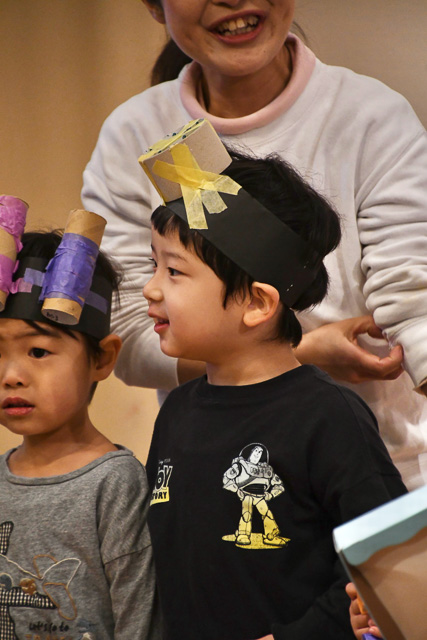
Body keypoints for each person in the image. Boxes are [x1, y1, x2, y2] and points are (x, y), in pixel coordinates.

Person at [81, 0, 427, 489]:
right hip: (217, 475)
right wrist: (302, 353)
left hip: (384, 476)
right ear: (154, 6)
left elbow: (413, 299)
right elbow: (132, 331)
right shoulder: (132, 132)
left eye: (173, 270)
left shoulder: (372, 116)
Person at [141, 129, 407, 639]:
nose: (151, 289)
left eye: (174, 271)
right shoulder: (177, 411)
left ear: (258, 303)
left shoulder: (327, 417)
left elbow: (388, 561)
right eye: (155, 264)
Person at [0, 198, 160, 640]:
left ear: (102, 359)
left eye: (38, 351)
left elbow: (138, 619)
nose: (11, 376)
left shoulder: (115, 484)